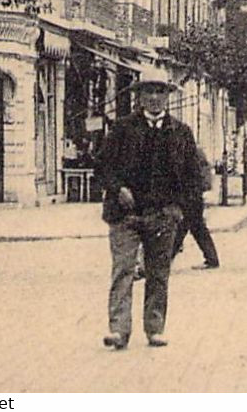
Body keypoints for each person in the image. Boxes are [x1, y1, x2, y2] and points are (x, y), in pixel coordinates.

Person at [96, 68, 202, 350]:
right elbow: (103, 166)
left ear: (167, 96)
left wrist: (179, 209)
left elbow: (194, 176)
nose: (154, 98)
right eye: (148, 92)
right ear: (139, 96)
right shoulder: (122, 129)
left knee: (158, 273)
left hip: (162, 215)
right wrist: (118, 188)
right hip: (125, 215)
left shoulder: (181, 133)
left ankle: (155, 328)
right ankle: (118, 329)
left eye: (160, 92)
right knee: (123, 270)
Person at [171, 145, 220, 270]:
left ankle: (165, 260)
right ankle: (212, 258)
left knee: (184, 229)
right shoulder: (195, 152)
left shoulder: (187, 153)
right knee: (196, 228)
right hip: (195, 196)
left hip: (189, 196)